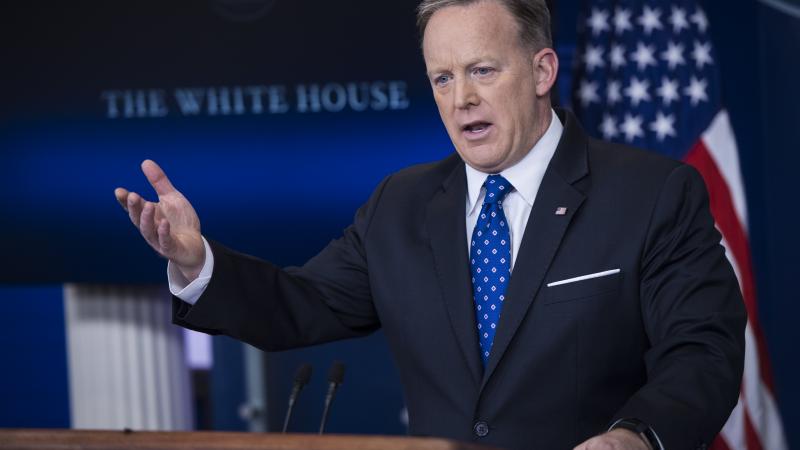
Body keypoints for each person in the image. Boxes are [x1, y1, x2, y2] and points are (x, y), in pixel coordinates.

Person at [115, 0, 745, 449]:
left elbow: (703, 351)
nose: (460, 98)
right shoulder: (402, 204)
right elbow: (297, 304)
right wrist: (196, 264)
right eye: (442, 78)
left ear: (542, 72)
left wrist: (634, 437)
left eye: (482, 70)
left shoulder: (649, 193)